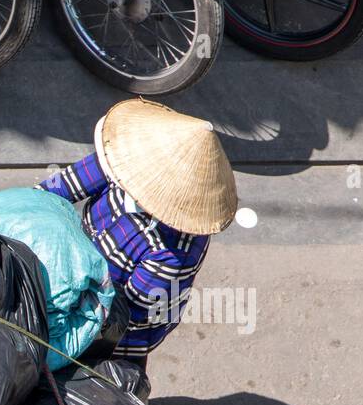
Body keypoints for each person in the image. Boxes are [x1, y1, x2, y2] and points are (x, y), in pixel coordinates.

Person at [37, 98, 239, 386]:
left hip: (116, 333)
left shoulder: (172, 256)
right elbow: (56, 190)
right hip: (78, 286)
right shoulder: (121, 160)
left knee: (105, 391)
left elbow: (125, 316)